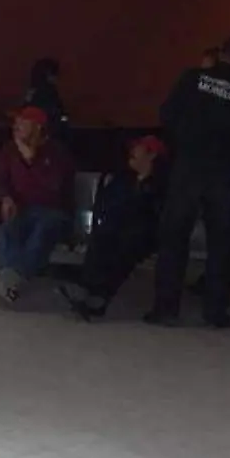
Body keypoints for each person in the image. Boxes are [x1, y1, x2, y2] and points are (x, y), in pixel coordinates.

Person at [150, 33, 230, 328]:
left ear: (221, 54)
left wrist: (183, 146)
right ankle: (215, 312)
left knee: (174, 238)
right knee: (221, 243)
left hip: (187, 168)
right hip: (223, 173)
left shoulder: (192, 79)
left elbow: (167, 115)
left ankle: (165, 308)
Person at [60, 136, 165, 321]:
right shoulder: (123, 179)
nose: (132, 152)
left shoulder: (161, 185)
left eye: (138, 149)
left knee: (127, 245)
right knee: (103, 237)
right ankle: (88, 290)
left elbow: (155, 215)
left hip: (144, 233)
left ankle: (99, 295)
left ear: (151, 155)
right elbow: (105, 202)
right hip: (116, 226)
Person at [0, 107, 76, 303]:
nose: (16, 126)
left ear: (37, 127)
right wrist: (6, 198)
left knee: (43, 228)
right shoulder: (9, 149)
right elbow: (1, 180)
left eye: (22, 122)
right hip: (22, 209)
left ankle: (10, 280)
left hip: (53, 211)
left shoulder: (57, 152)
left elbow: (53, 186)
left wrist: (31, 158)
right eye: (16, 121)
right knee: (8, 228)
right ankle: (8, 280)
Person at [22, 58, 69, 129]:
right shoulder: (49, 94)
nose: (56, 78)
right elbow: (58, 117)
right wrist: (65, 119)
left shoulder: (32, 92)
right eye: (54, 74)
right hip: (46, 130)